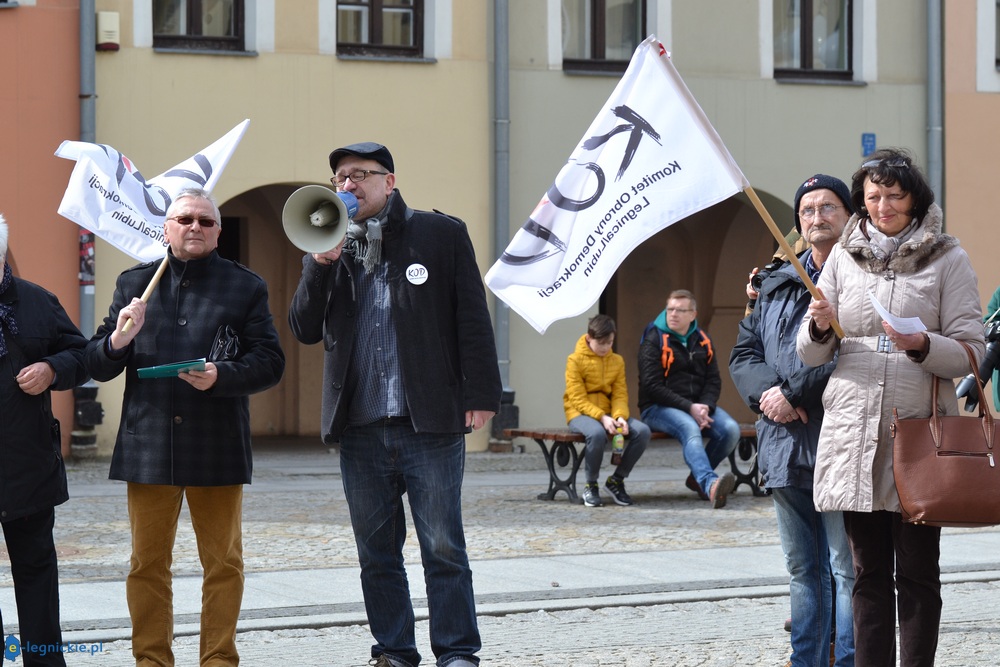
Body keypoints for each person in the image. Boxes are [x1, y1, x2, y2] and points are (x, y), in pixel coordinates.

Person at [288, 142, 502, 667]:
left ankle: (456, 653)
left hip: (427, 422)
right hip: (359, 426)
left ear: (390, 180)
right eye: (341, 176)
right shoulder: (325, 241)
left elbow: (471, 316)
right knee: (376, 553)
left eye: (361, 174)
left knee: (444, 547)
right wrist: (320, 266)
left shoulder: (440, 234)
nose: (348, 185)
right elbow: (303, 328)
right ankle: (394, 650)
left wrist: (481, 394)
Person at [796, 148, 984, 667]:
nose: (882, 206)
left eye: (893, 196)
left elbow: (973, 350)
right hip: (855, 427)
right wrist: (816, 325)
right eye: (873, 196)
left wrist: (921, 343)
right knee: (866, 572)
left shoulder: (949, 258)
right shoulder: (843, 255)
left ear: (914, 197)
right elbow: (810, 353)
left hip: (919, 433)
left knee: (918, 574)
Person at [85, 188, 285, 666]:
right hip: (148, 443)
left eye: (206, 221)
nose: (195, 227)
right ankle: (151, 660)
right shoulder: (135, 283)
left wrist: (221, 375)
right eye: (185, 219)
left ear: (218, 232)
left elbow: (270, 361)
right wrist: (118, 338)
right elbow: (97, 363)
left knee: (224, 564)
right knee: (147, 565)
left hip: (216, 444)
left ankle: (218, 659)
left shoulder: (245, 286)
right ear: (167, 228)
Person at [730, 175, 856, 667]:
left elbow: (854, 348)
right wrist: (768, 396)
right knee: (802, 570)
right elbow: (744, 352)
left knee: (846, 569)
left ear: (849, 216)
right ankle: (806, 661)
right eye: (807, 209)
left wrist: (793, 392)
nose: (816, 216)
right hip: (783, 441)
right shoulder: (776, 279)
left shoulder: (862, 275)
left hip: (840, 438)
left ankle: (846, 659)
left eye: (828, 207)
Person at [0, 214, 89, 666]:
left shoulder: (37, 302)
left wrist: (52, 369)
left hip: (28, 467)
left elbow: (81, 353)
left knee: (36, 577)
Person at [638, 289, 740, 508]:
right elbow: (651, 386)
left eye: (680, 310)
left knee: (731, 430)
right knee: (689, 428)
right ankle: (709, 483)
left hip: (696, 405)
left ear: (693, 314)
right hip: (657, 408)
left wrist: (705, 406)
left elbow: (713, 379)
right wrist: (689, 407)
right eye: (670, 309)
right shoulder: (653, 339)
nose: (673, 314)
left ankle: (697, 478)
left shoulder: (702, 339)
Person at [563, 314, 651, 507]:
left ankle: (616, 481)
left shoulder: (617, 361)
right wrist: (602, 417)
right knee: (596, 434)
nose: (605, 347)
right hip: (580, 414)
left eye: (609, 343)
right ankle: (591, 484)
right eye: (601, 343)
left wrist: (620, 417)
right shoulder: (575, 360)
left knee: (643, 431)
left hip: (609, 414)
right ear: (589, 338)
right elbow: (577, 397)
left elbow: (620, 393)